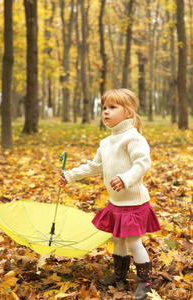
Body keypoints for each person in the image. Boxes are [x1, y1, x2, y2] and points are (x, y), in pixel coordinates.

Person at [59, 88, 161, 300]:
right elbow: (93, 166)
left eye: (113, 107)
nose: (106, 112)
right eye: (104, 107)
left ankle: (146, 283)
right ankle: (119, 275)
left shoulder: (133, 137)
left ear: (129, 112)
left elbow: (142, 163)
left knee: (134, 242)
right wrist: (69, 175)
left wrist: (126, 179)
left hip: (134, 203)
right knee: (117, 239)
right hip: (116, 203)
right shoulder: (106, 142)